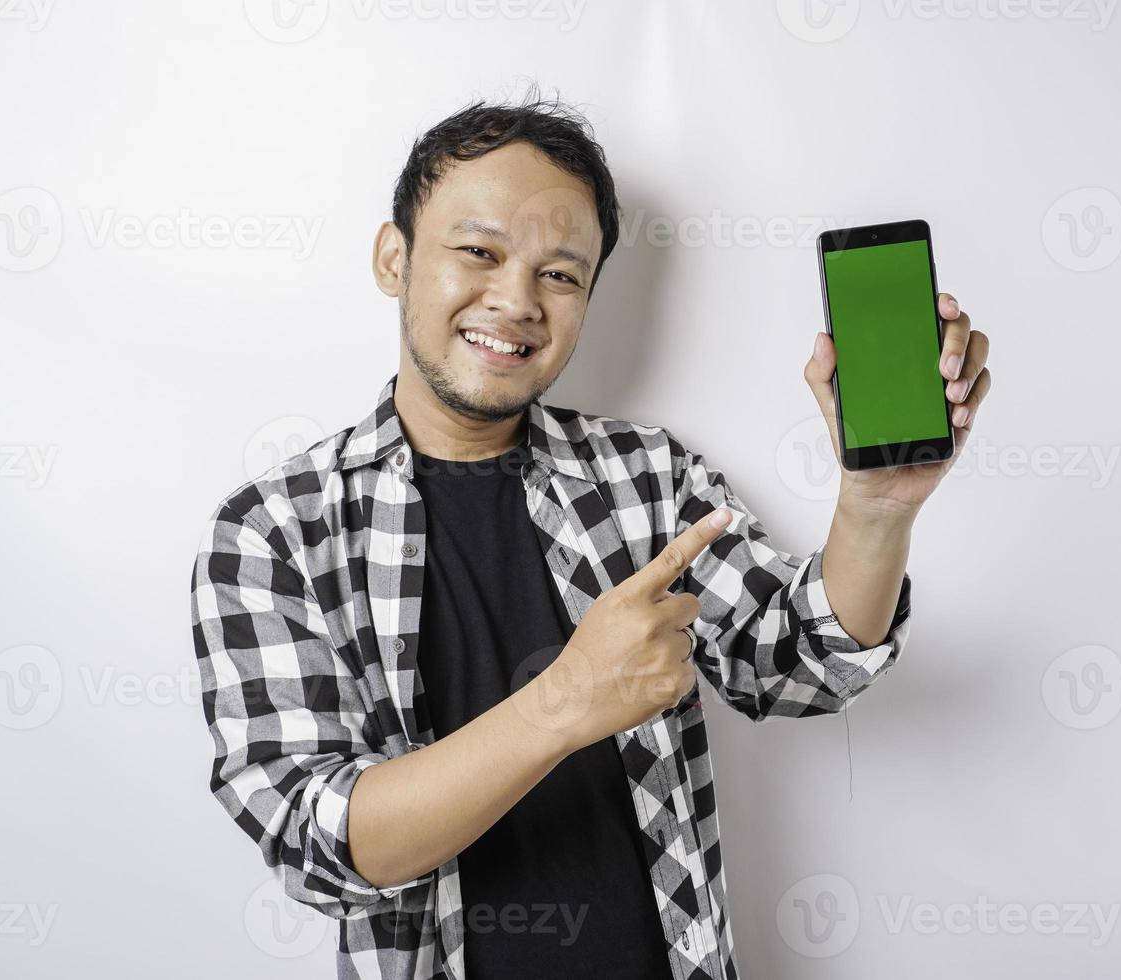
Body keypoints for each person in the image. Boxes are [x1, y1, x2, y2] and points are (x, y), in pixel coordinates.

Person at [189, 89, 992, 980]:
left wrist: (876, 510)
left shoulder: (646, 478)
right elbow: (319, 842)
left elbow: (799, 667)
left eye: (560, 274)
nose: (517, 300)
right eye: (478, 252)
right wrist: (567, 699)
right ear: (394, 256)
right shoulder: (275, 531)